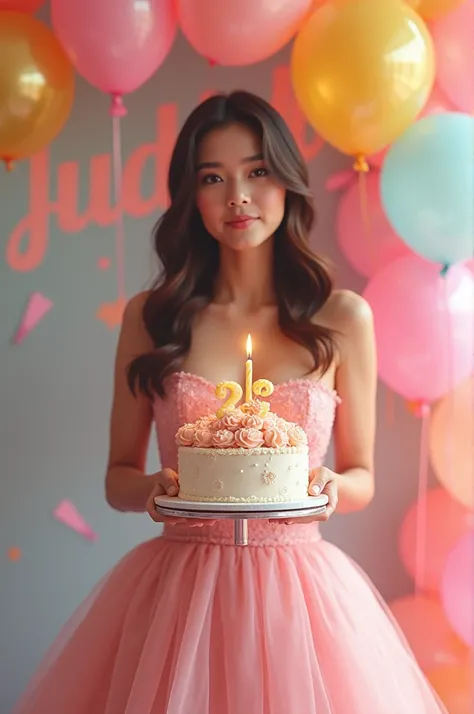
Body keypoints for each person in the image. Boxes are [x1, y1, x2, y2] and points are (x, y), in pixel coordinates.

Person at [15, 91, 447, 714]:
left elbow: (363, 477)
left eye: (256, 171)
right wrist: (155, 490)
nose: (237, 196)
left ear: (286, 182)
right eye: (212, 178)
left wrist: (330, 486)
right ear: (191, 198)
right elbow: (117, 480)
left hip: (300, 595)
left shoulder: (344, 318)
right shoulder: (152, 317)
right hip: (176, 594)